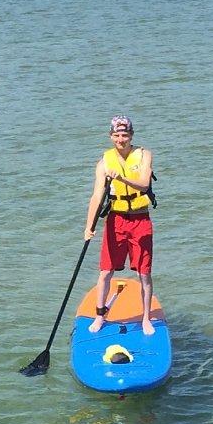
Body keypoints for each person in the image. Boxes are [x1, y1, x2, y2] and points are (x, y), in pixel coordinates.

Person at [83, 114, 156, 336]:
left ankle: (145, 319)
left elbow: (144, 185)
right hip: (116, 221)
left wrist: (121, 179)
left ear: (131, 135)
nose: (121, 139)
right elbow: (97, 196)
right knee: (106, 271)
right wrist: (89, 226)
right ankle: (99, 315)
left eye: (125, 135)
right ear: (111, 136)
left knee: (144, 273)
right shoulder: (104, 162)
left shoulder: (144, 155)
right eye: (117, 135)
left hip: (140, 219)